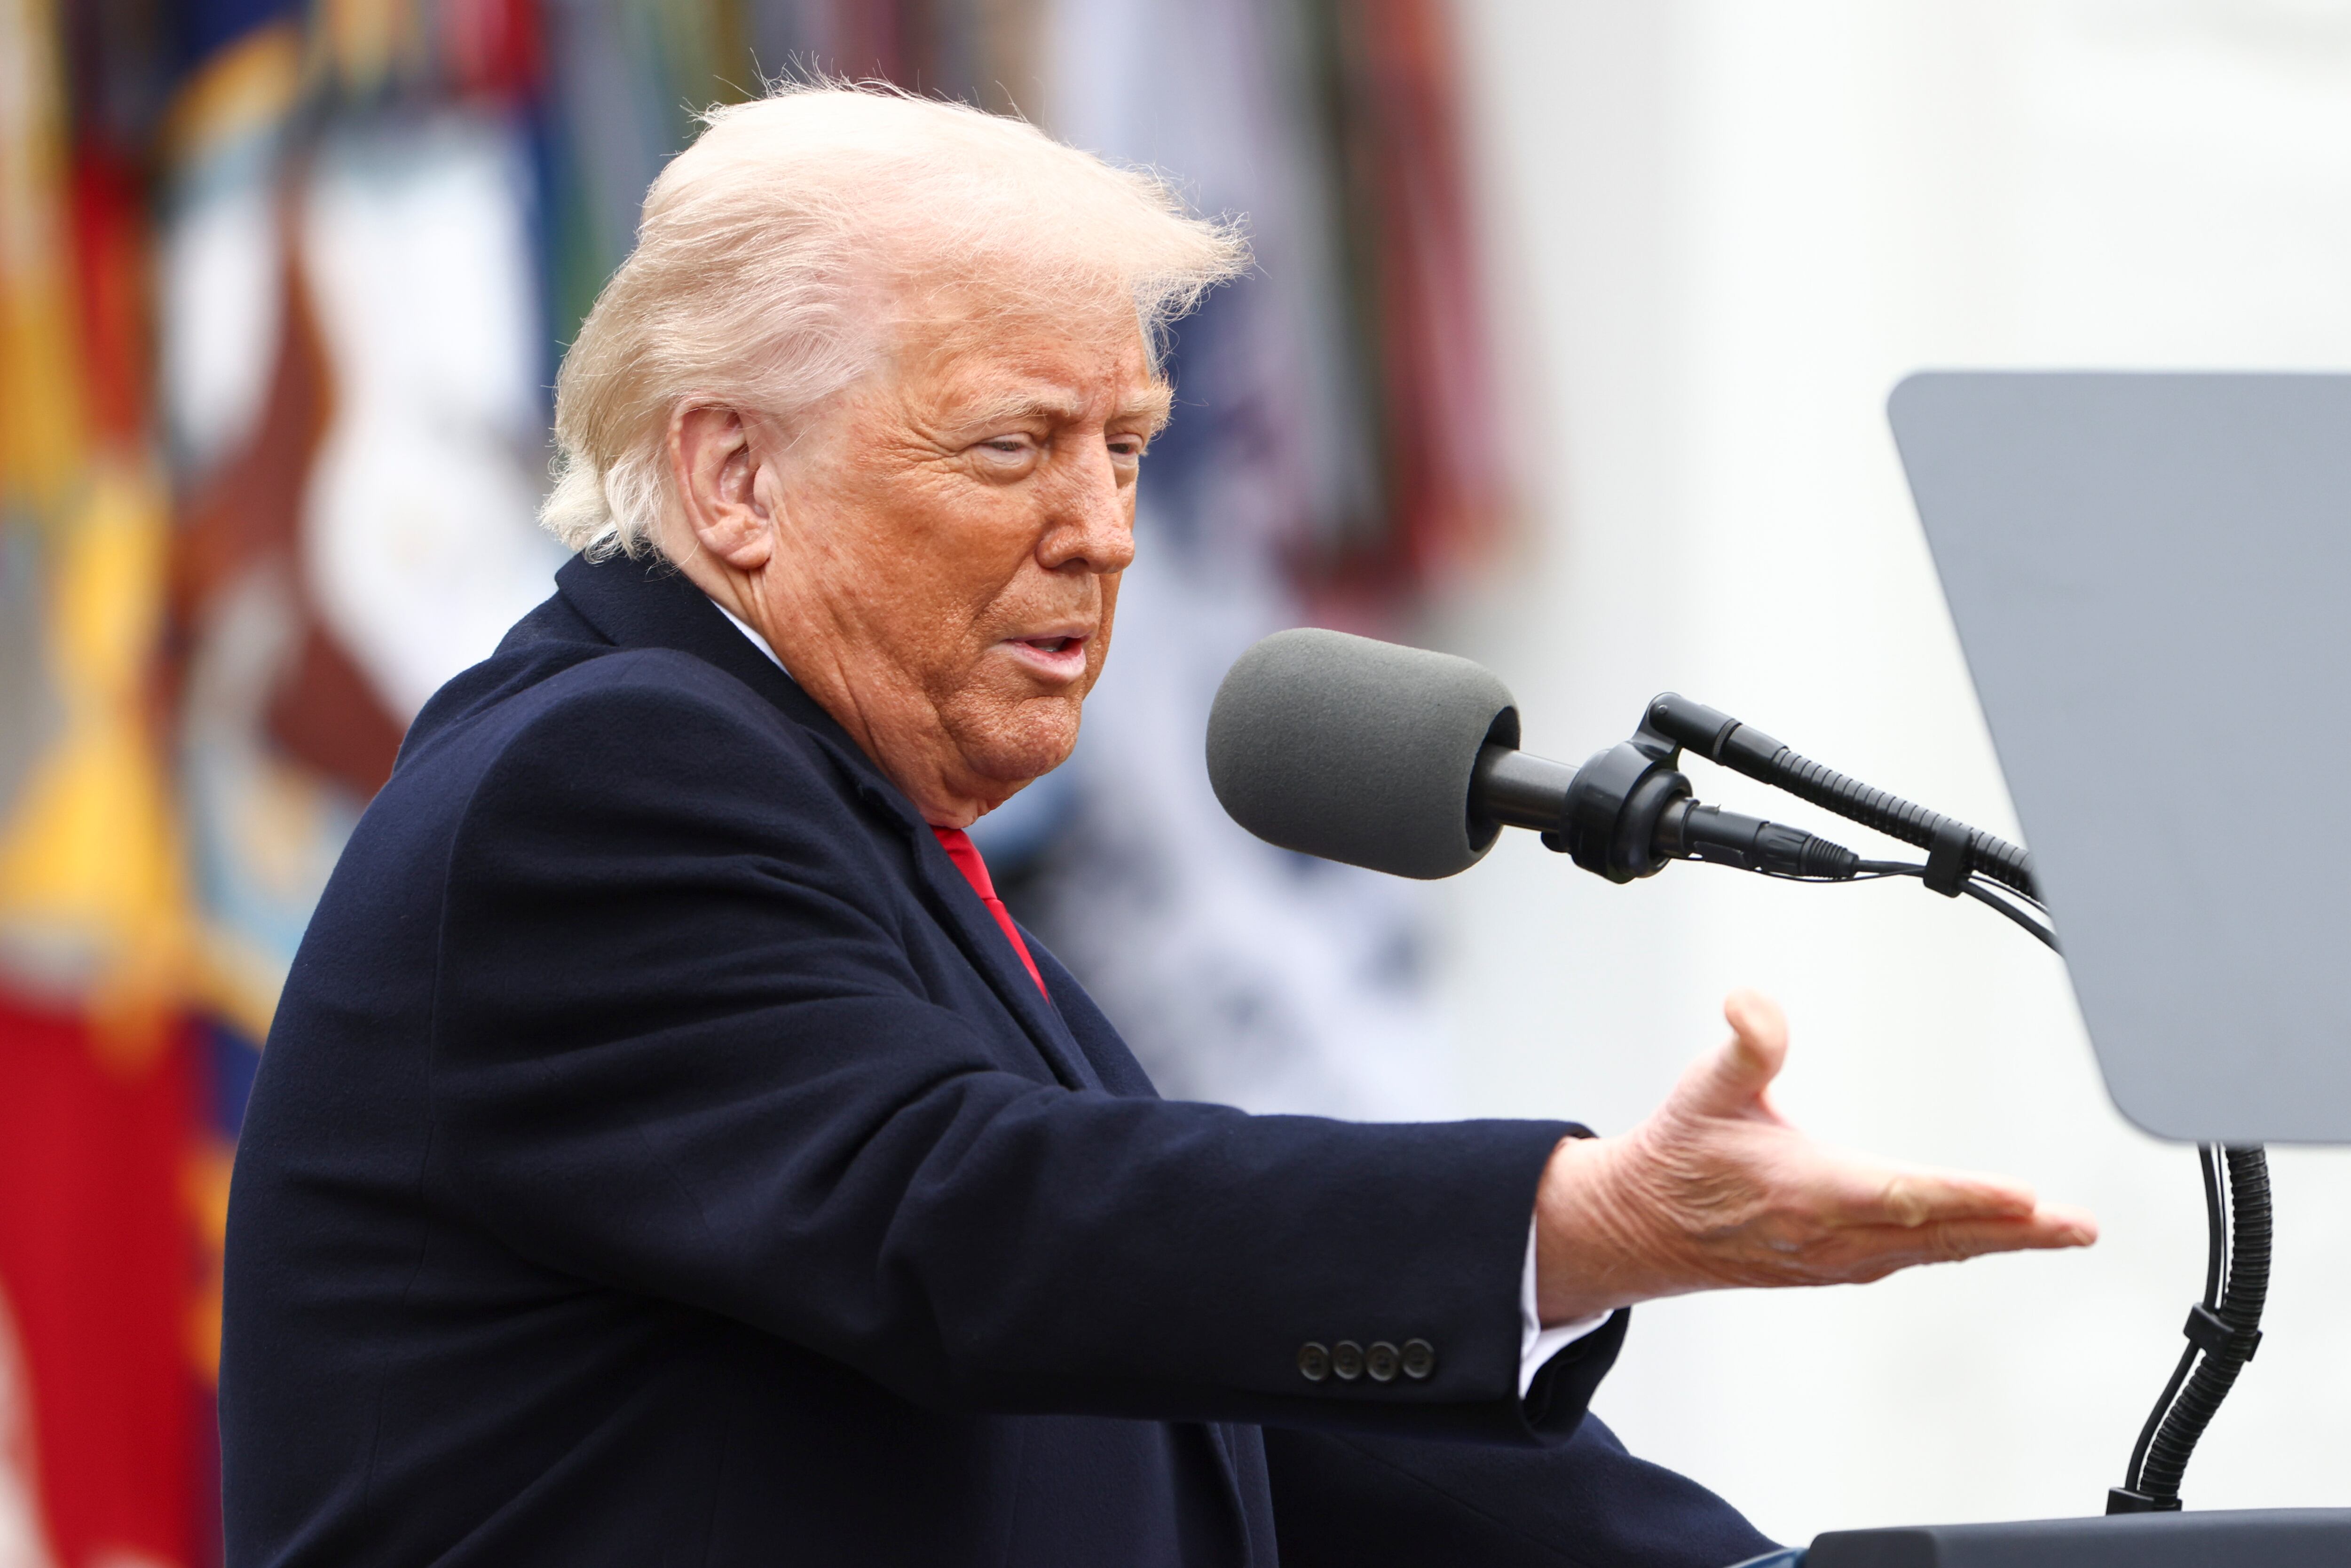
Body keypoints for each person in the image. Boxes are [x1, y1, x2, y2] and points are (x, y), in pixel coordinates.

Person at [220, 85, 2094, 1568]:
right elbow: (976, 1227)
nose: (1106, 528)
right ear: (734, 476)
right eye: (1011, 445)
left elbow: (1204, 1393)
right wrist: (1556, 1218)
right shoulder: (609, 778)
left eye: (1125, 445)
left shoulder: (854, 829)